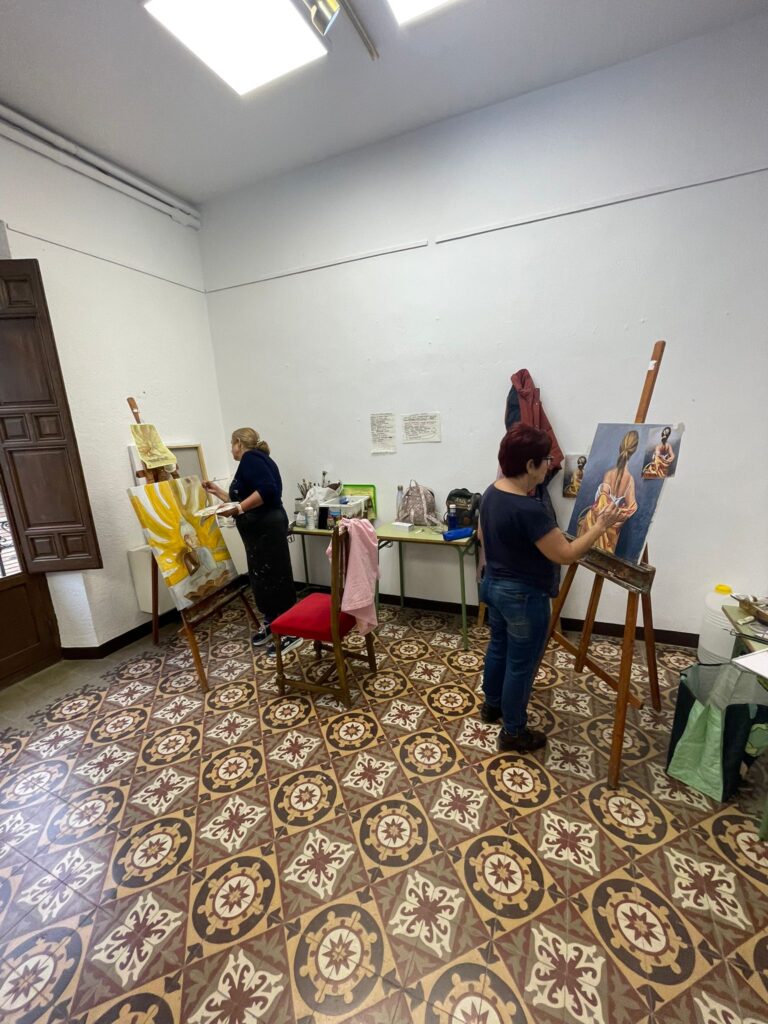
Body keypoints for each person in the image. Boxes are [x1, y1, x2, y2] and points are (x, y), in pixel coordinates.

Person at [479, 423, 628, 753]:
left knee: (499, 647)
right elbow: (566, 554)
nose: (549, 466)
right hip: (522, 596)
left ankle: (491, 706)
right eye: (546, 460)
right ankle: (513, 732)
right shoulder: (528, 509)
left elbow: (482, 535)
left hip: (493, 586)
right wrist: (600, 526)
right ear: (530, 465)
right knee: (521, 665)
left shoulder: (491, 492)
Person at [204, 429, 300, 656]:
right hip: (260, 530)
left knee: (274, 577)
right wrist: (219, 493)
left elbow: (267, 491)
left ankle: (290, 630)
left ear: (238, 443)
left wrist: (238, 509)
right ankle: (272, 622)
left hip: (266, 528)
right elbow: (244, 499)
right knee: (262, 578)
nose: (231, 450)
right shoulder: (257, 461)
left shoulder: (251, 459)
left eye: (231, 444)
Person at [576, 429, 639, 553]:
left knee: (582, 551)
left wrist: (604, 512)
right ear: (634, 451)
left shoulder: (609, 474)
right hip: (610, 532)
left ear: (620, 447)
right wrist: (617, 515)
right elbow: (632, 508)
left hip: (594, 525)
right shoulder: (630, 480)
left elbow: (601, 502)